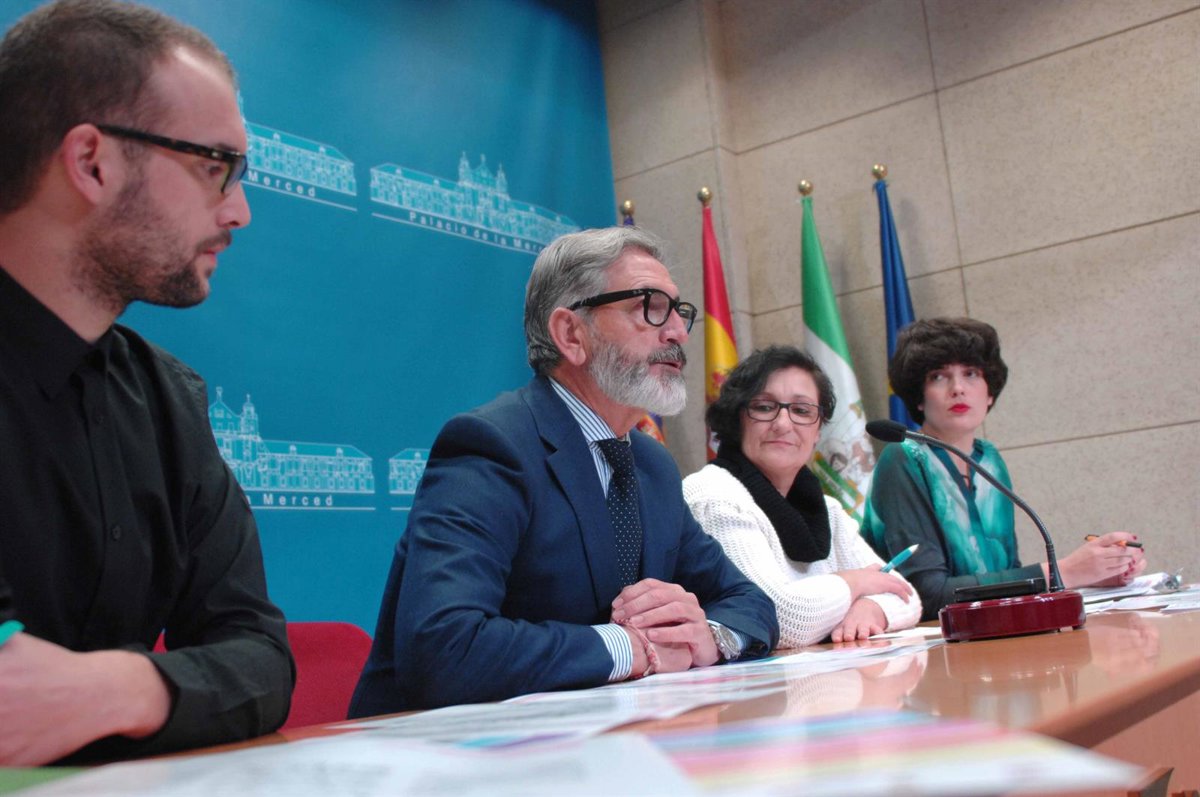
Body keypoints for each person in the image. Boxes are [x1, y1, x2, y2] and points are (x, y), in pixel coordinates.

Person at [0, 0, 293, 765]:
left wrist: (122, 688)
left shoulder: (169, 399)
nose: (240, 210)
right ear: (91, 162)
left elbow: (261, 658)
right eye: (214, 166)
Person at [350, 226, 778, 716]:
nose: (678, 332)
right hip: (443, 749)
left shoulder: (651, 464)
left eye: (678, 311)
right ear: (571, 334)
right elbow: (444, 647)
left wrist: (707, 635)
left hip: (611, 738)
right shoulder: (493, 446)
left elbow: (748, 600)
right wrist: (631, 648)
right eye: (649, 307)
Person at [860, 317, 1146, 621]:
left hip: (991, 631)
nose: (958, 388)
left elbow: (1007, 574)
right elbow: (926, 595)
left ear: (990, 392)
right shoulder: (903, 459)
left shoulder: (989, 460)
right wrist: (1066, 571)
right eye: (939, 377)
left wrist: (1095, 574)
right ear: (918, 397)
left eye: (971, 373)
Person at [683, 346, 921, 648]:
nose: (783, 423)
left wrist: (872, 608)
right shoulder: (712, 495)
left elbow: (906, 594)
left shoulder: (827, 509)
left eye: (802, 411)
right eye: (764, 407)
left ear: (818, 431)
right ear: (737, 419)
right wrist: (856, 582)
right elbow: (775, 617)